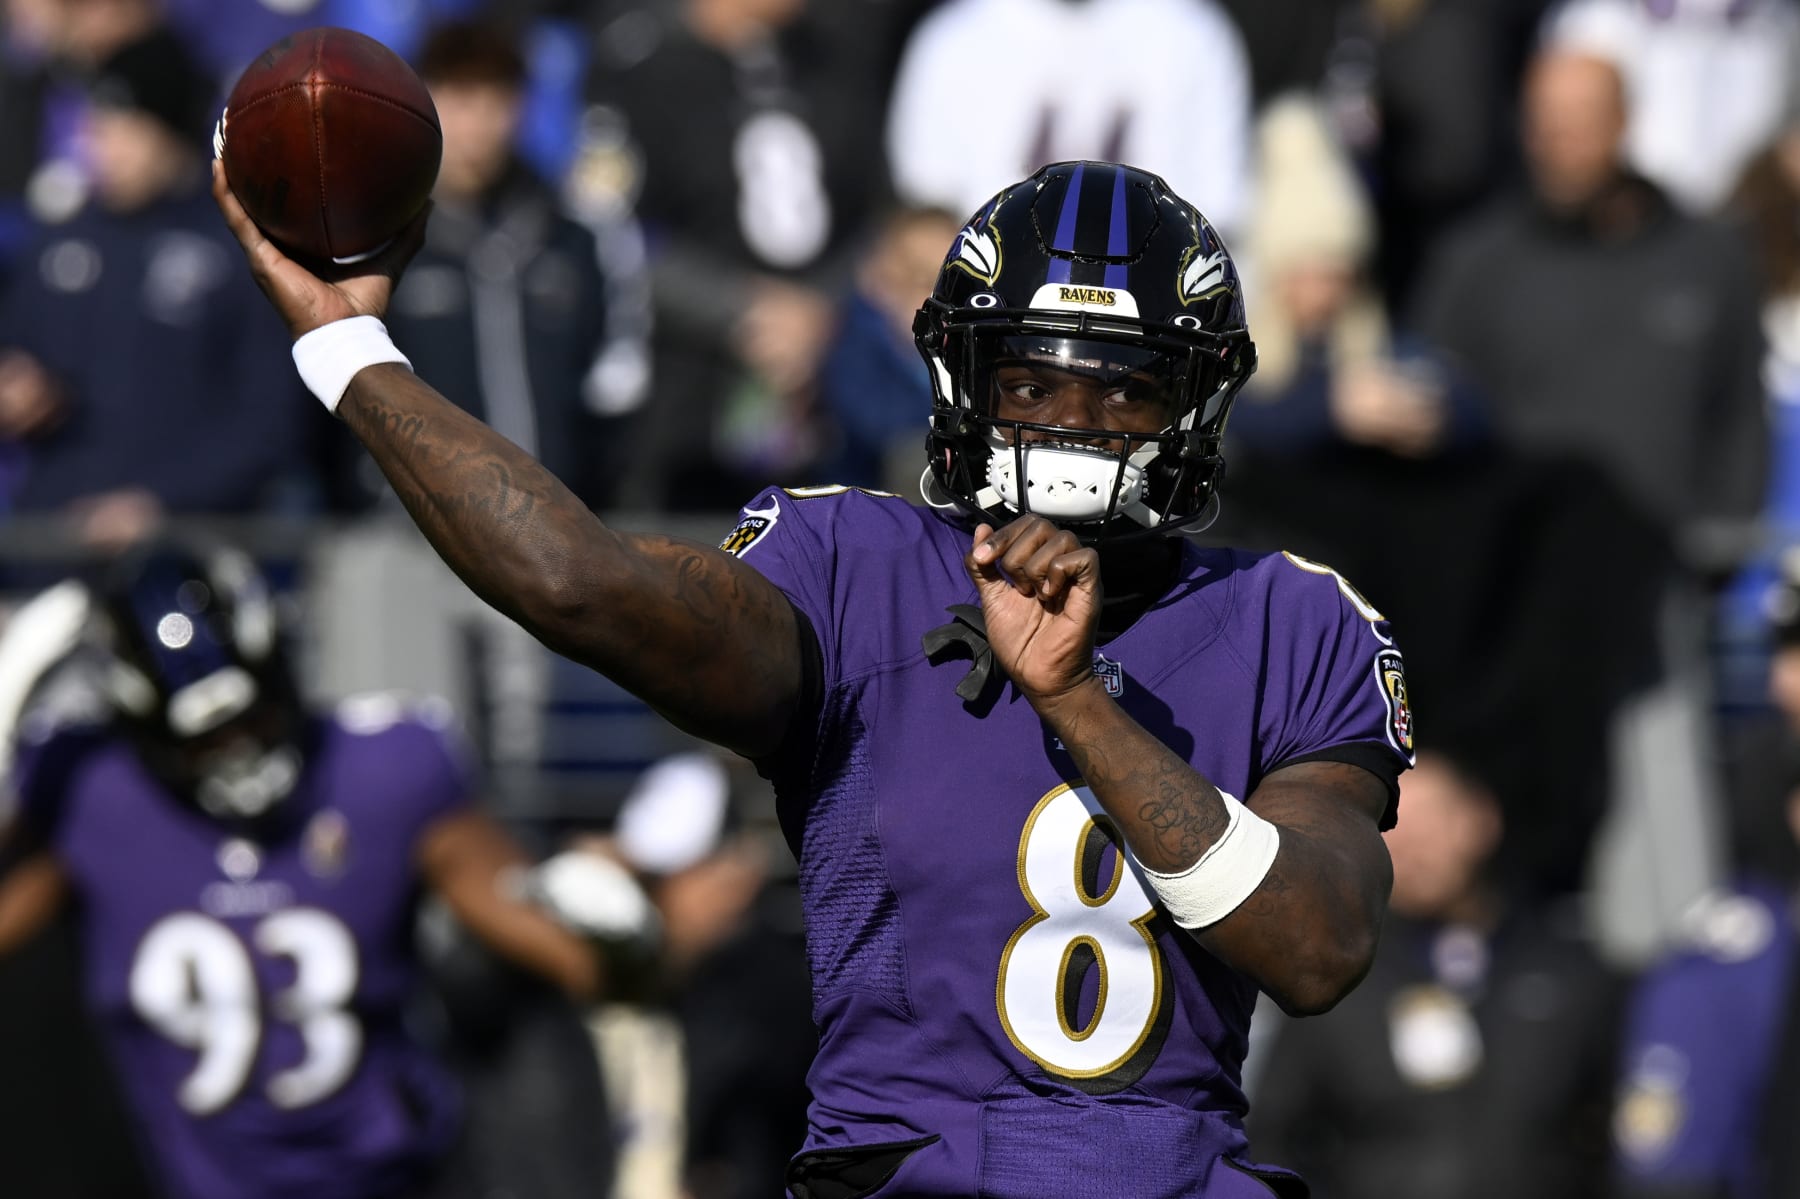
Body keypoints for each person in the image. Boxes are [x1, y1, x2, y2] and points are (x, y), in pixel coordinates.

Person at [214, 156, 1414, 1196]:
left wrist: (1076, 699)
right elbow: (582, 582)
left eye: (1122, 389)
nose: (1072, 425)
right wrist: (345, 345)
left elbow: (1317, 945)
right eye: (1032, 383)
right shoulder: (852, 563)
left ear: (1192, 403)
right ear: (963, 385)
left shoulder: (1291, 617)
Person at [0, 540, 653, 1199]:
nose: (237, 751)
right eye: (204, 739)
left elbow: (572, 952)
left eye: (251, 718)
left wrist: (621, 936)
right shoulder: (93, 796)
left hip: (393, 1178)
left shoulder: (383, 771)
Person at [1248, 751, 1621, 1199]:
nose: (1412, 843)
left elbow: (1633, 1130)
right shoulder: (1333, 982)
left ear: (1482, 819)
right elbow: (1274, 1137)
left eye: (1432, 820)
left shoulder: (1570, 970)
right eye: (1391, 824)